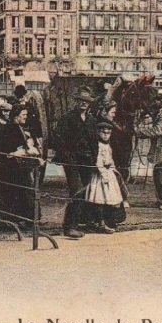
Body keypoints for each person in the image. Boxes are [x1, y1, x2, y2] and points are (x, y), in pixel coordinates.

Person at [51, 91, 98, 238]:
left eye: (86, 101)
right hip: (72, 160)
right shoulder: (67, 119)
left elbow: (94, 143)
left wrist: (94, 160)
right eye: (81, 100)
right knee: (76, 190)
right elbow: (59, 140)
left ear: (89, 103)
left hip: (87, 160)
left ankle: (76, 224)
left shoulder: (92, 120)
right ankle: (70, 226)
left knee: (83, 191)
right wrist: (67, 157)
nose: (84, 103)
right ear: (76, 102)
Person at [0, 104, 42, 227]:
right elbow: (9, 149)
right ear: (16, 116)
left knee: (23, 191)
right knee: (19, 192)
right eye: (23, 115)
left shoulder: (18, 128)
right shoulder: (11, 128)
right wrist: (24, 150)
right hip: (12, 167)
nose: (25, 117)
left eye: (26, 115)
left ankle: (27, 219)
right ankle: (23, 220)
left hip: (19, 166)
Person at [135, 97, 162, 210]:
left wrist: (140, 132)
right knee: (159, 175)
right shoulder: (160, 114)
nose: (155, 103)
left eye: (159, 101)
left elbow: (158, 130)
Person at [84, 120, 127, 233]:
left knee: (111, 198)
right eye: (103, 132)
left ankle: (109, 221)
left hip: (109, 172)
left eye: (108, 133)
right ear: (98, 133)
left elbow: (111, 159)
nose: (106, 135)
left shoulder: (108, 145)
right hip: (100, 175)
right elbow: (98, 162)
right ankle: (100, 222)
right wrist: (104, 175)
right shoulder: (98, 146)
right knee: (99, 198)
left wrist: (114, 170)